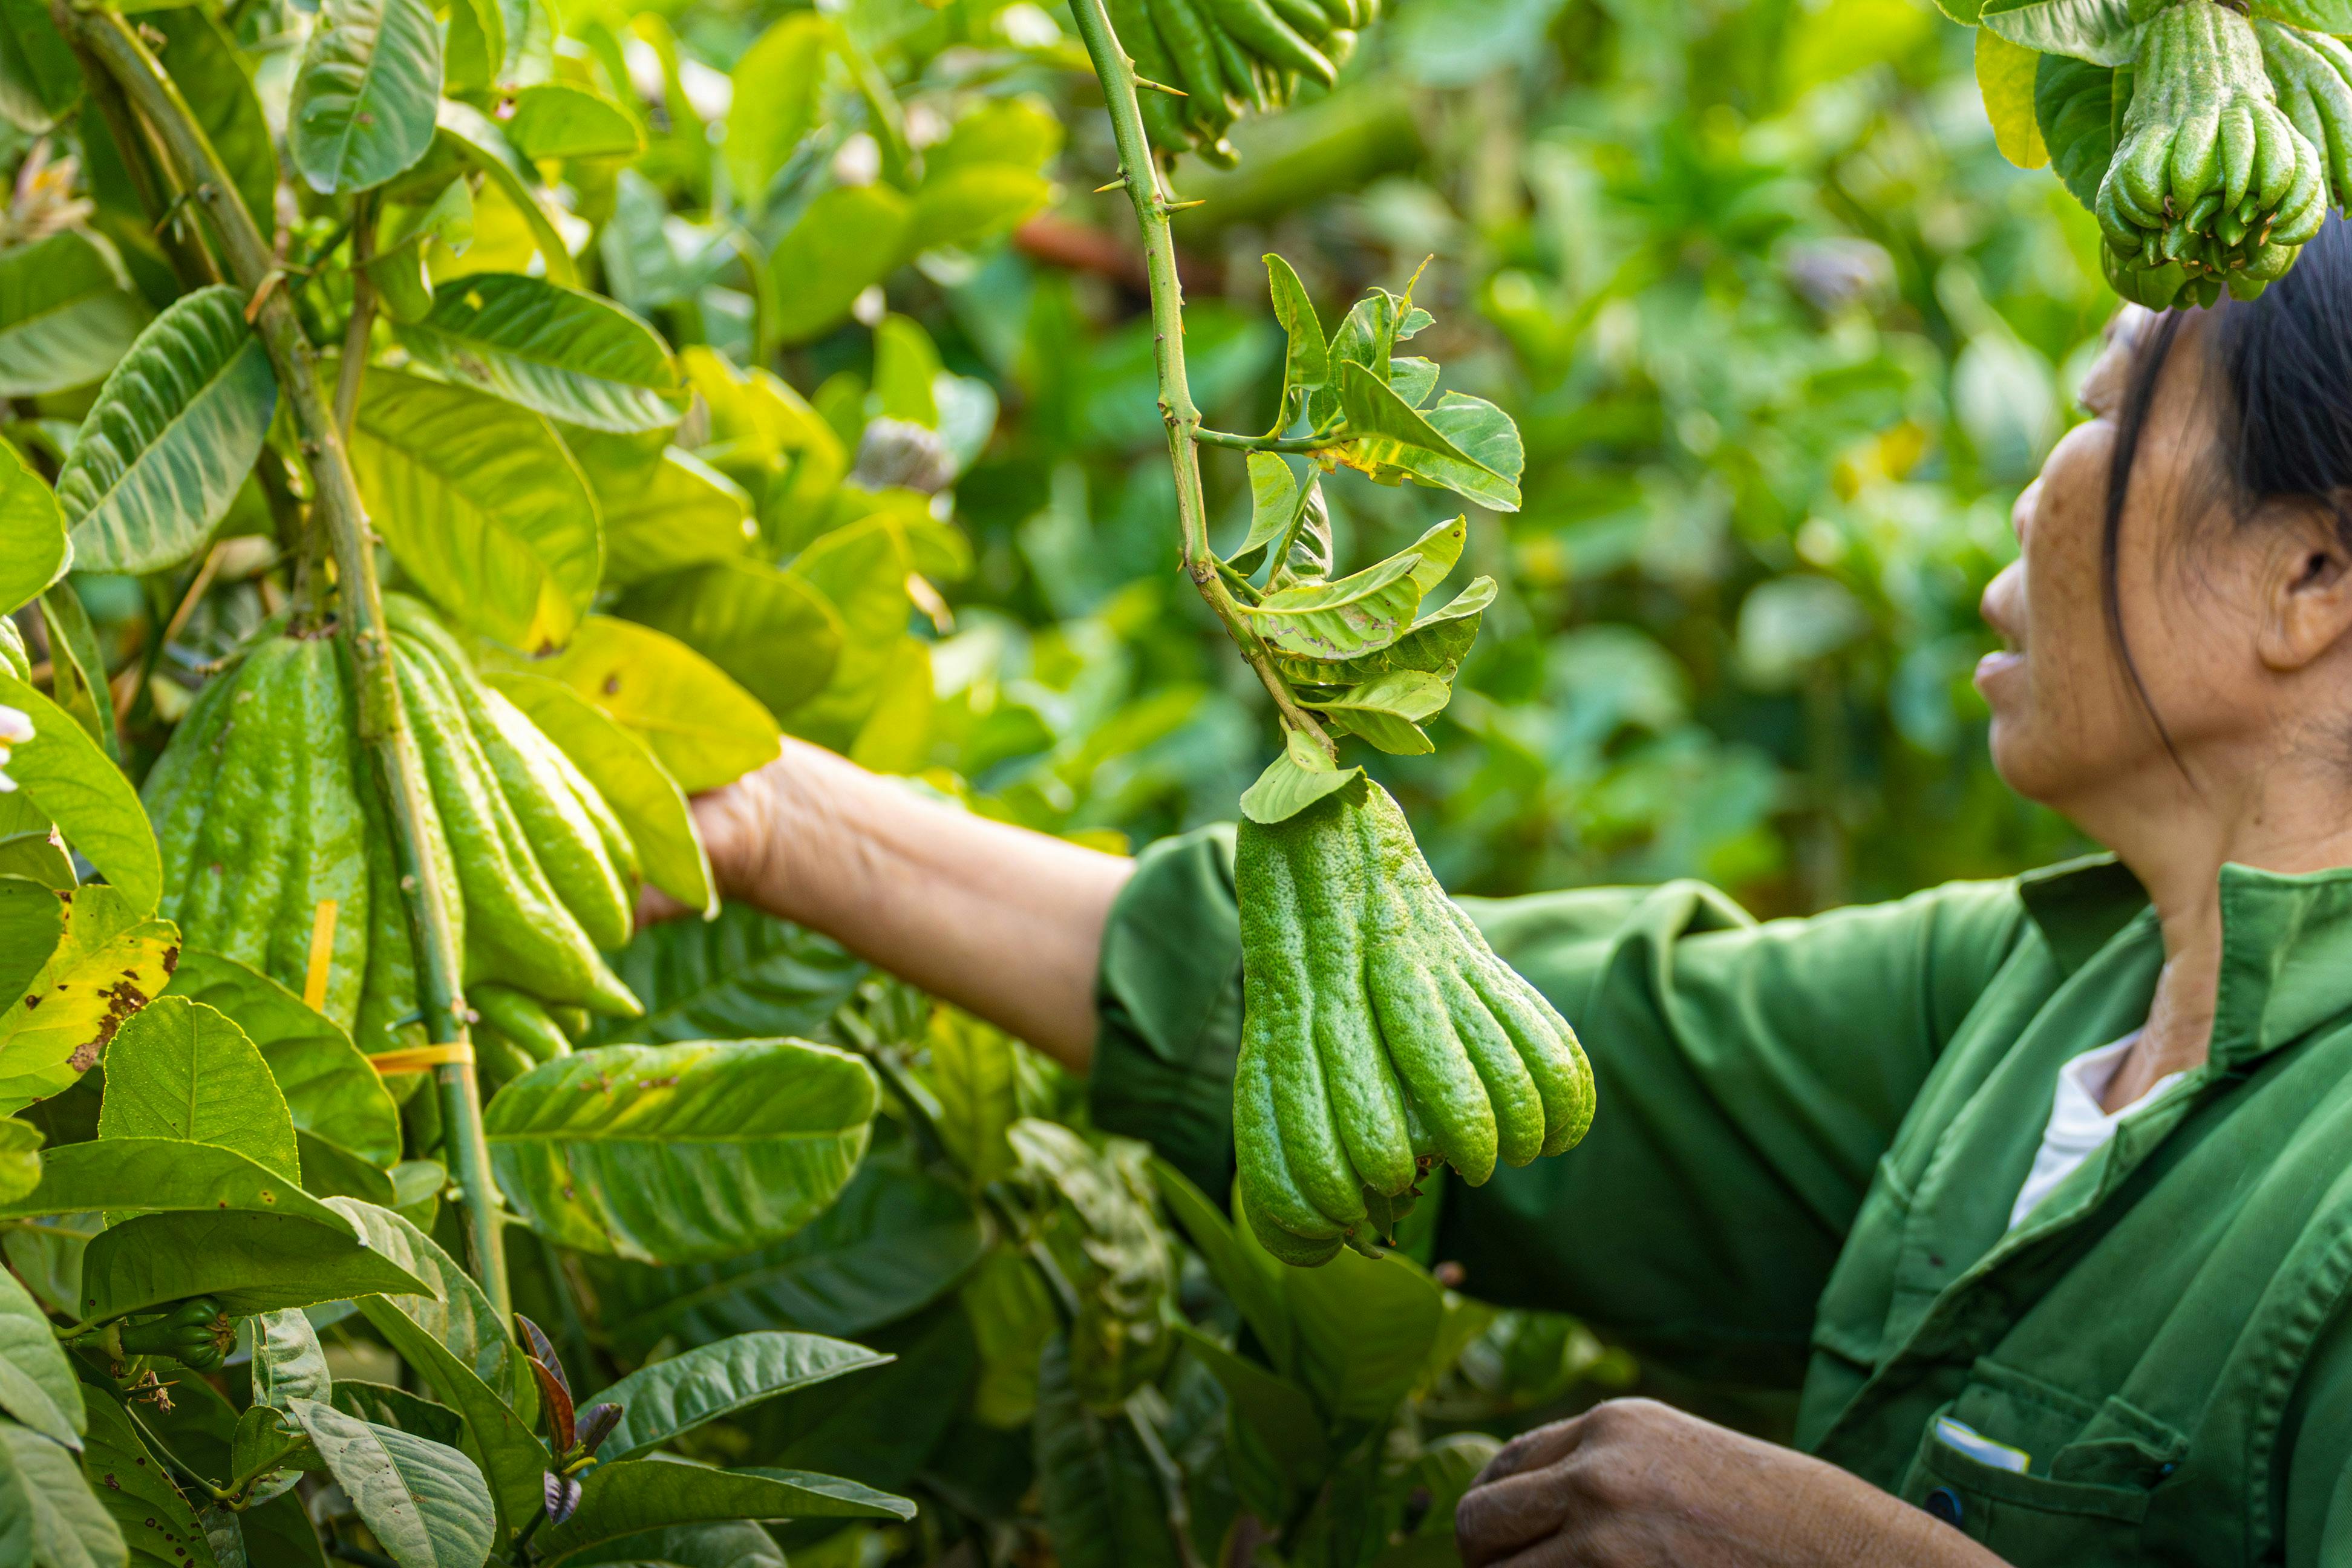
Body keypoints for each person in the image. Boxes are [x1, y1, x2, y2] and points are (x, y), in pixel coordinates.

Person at [651, 219, 2352, 1566]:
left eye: (2109, 400)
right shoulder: (2049, 995)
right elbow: (1464, 1043)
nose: (2039, 478)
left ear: (2312, 572)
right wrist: (776, 819)